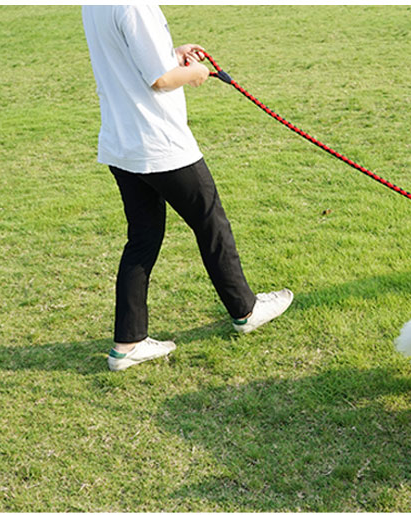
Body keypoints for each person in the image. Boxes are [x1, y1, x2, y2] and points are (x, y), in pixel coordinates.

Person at [82, 6, 293, 371]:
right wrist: (193, 72)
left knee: (143, 238)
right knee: (211, 221)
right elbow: (159, 79)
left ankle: (128, 344)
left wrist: (173, 55)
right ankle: (246, 310)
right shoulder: (136, 5)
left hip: (122, 143)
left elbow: (133, 57)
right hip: (158, 143)